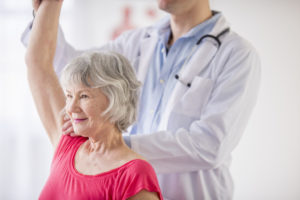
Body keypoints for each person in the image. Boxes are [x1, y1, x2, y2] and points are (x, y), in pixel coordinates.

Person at [22, 0, 261, 199]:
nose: (73, 105)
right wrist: (45, 10)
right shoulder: (137, 41)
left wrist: (114, 148)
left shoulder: (236, 54)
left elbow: (209, 145)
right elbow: (70, 69)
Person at [25, 1, 163, 199]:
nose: (70, 108)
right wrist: (51, 4)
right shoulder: (68, 142)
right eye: (69, 95)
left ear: (114, 99)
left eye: (83, 96)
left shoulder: (134, 174)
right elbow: (37, 64)